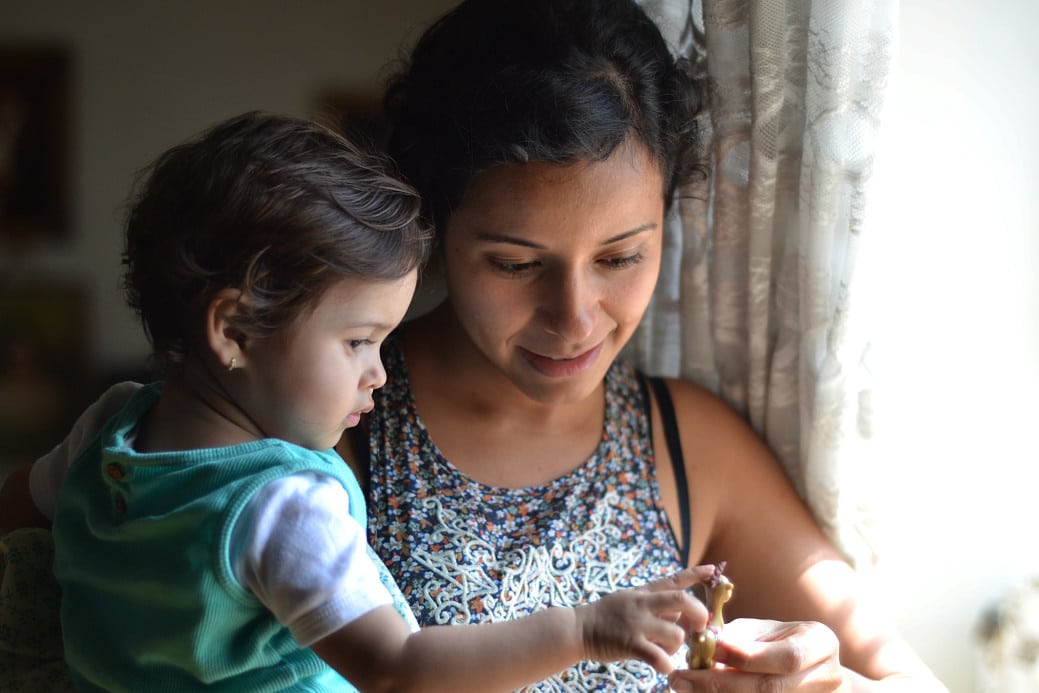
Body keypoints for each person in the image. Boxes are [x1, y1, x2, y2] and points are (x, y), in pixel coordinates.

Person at [337, 0, 950, 691]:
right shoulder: (337, 422)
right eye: (515, 264)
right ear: (433, 223)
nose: (573, 318)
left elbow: (908, 679)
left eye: (620, 257)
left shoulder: (685, 444)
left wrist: (831, 682)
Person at [0, 111, 714, 692]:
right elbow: (396, 668)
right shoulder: (283, 508)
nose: (379, 373)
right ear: (234, 328)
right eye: (358, 342)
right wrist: (582, 630)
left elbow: (14, 516)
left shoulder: (107, 428)